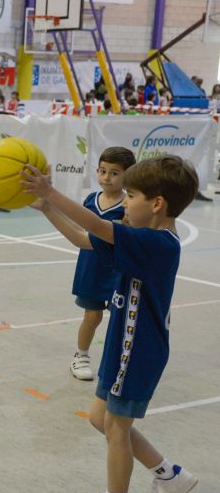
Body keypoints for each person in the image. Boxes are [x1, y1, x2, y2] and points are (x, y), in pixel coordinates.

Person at [22, 155, 200, 493]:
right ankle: (169, 475)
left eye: (131, 195)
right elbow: (84, 239)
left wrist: (51, 191)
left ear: (157, 204)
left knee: (117, 427)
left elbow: (99, 225)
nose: (125, 201)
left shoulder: (157, 243)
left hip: (138, 349)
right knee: (100, 418)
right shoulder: (142, 238)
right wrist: (47, 208)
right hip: (123, 344)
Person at [66, 148, 136, 381]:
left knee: (120, 319)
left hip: (118, 270)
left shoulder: (130, 205)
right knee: (92, 316)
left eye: (114, 173)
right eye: (103, 171)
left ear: (128, 175)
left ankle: (117, 362)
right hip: (91, 267)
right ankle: (81, 355)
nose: (106, 177)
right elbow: (80, 233)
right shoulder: (90, 200)